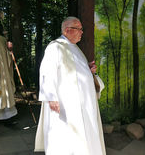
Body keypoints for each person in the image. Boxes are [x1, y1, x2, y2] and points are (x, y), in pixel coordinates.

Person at [35, 17, 106, 155]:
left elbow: (76, 71)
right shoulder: (55, 46)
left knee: (83, 134)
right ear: (68, 30)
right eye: (79, 29)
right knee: (65, 137)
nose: (82, 32)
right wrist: (51, 97)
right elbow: (47, 72)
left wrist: (88, 70)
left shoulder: (75, 49)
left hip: (83, 103)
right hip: (65, 103)